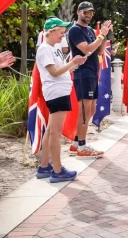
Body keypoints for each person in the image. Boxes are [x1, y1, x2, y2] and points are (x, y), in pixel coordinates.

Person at [35, 18, 87, 183]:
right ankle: (57, 170)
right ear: (51, 31)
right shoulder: (45, 49)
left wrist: (73, 64)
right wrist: (72, 62)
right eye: (61, 32)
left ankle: (44, 166)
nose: (62, 36)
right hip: (56, 93)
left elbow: (59, 69)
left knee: (51, 130)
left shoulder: (51, 48)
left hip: (59, 92)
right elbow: (54, 72)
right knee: (55, 133)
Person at [66, 1, 112, 158]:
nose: (88, 15)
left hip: (93, 72)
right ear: (78, 12)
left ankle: (76, 143)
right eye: (86, 12)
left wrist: (105, 36)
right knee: (85, 111)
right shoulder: (74, 30)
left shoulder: (91, 30)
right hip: (82, 74)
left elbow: (98, 50)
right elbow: (86, 48)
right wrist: (101, 35)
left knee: (91, 109)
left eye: (91, 13)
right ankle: (82, 147)